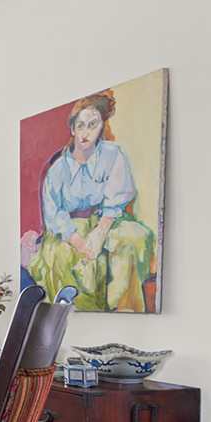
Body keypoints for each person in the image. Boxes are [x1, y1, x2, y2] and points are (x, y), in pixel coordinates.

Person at [25, 90, 154, 311]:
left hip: (107, 218)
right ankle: (77, 313)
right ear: (72, 128)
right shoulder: (58, 170)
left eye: (93, 125)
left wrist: (100, 231)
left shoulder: (114, 154)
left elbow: (117, 197)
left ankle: (125, 309)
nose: (86, 133)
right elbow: (55, 213)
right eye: (81, 125)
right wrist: (79, 241)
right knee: (63, 255)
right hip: (68, 228)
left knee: (136, 237)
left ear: (101, 126)